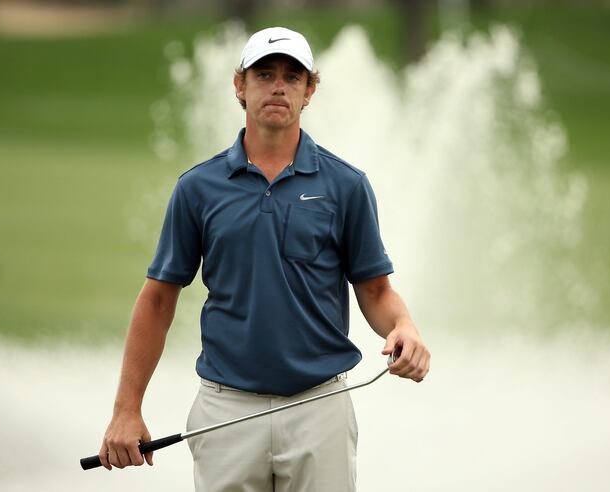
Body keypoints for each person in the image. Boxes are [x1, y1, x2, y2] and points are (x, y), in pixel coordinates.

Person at [97, 26, 430, 491]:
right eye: (264, 74)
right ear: (240, 86)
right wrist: (126, 409)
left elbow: (375, 290)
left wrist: (404, 327)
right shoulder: (198, 188)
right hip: (226, 409)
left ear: (310, 90)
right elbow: (157, 300)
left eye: (292, 77)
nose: (278, 86)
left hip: (319, 407)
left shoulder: (346, 186)